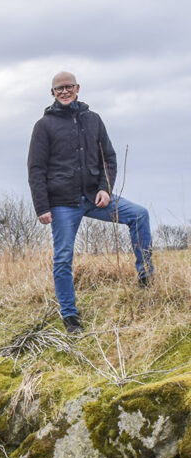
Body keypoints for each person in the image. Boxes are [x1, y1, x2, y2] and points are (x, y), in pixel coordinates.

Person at [27, 71, 153, 334]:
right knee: (63, 257)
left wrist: (105, 189)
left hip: (95, 197)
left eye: (68, 87)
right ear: (52, 93)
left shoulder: (93, 120)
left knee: (140, 215)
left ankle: (146, 276)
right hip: (63, 203)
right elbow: (36, 169)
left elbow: (109, 158)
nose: (64, 91)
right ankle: (70, 317)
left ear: (77, 88)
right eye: (59, 88)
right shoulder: (44, 126)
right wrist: (42, 207)